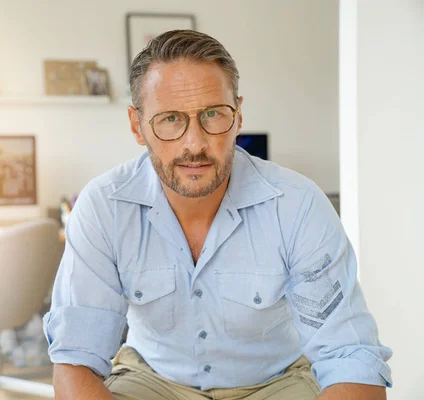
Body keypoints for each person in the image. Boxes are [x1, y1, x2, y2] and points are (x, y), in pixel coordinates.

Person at [43, 30, 392, 400]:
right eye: (170, 119)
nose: (194, 143)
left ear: (238, 116)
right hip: (151, 381)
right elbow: (75, 360)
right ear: (137, 125)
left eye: (213, 114)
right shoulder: (103, 207)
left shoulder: (298, 204)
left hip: (277, 382)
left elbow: (350, 357)